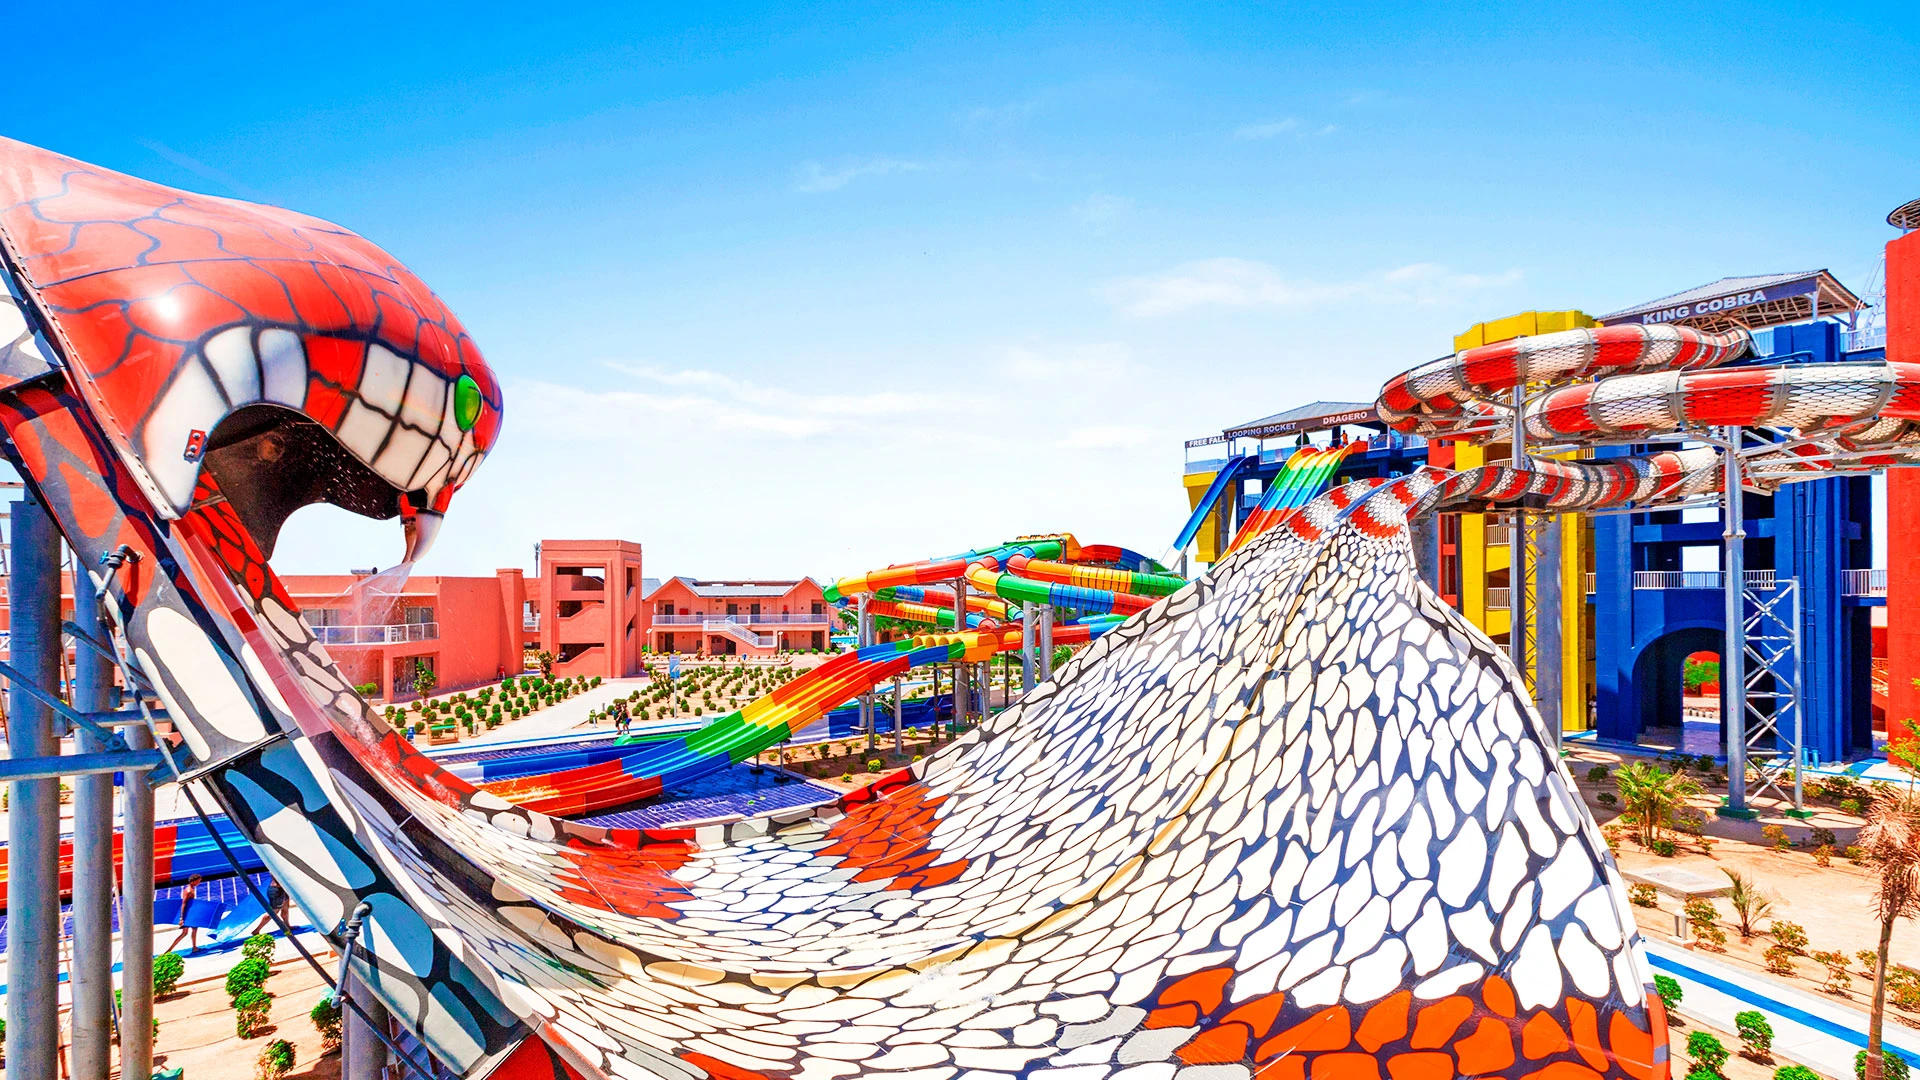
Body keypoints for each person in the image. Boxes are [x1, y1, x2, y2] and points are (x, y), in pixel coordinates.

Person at [166, 875, 204, 954]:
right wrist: (181, 918)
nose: (199, 883)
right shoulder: (188, 891)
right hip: (188, 915)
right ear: (193, 881)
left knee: (193, 930)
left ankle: (194, 947)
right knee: (184, 933)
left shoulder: (191, 889)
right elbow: (183, 904)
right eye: (198, 881)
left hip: (190, 913)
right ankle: (169, 950)